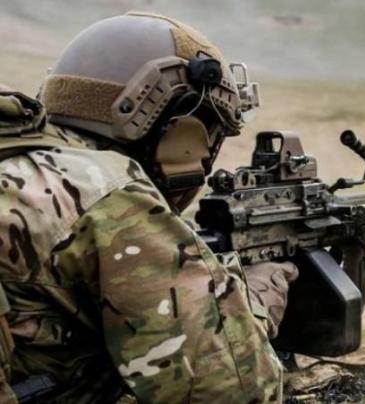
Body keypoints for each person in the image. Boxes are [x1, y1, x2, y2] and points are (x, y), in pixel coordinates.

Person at [0, 12, 297, 403]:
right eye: (208, 134)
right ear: (181, 133)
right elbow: (231, 392)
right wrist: (251, 302)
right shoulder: (104, 192)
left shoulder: (17, 159)